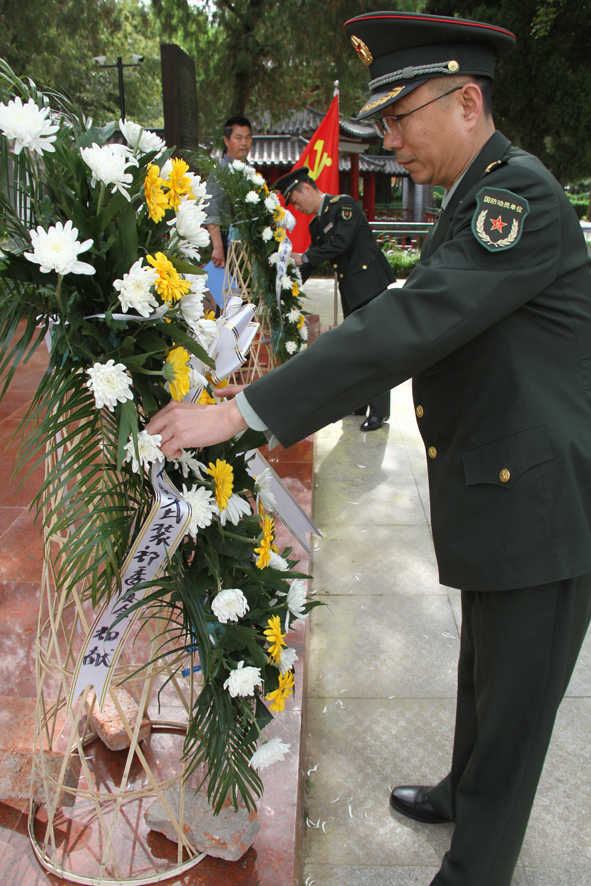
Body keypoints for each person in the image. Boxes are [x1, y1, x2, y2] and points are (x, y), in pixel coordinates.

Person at [146, 11, 591, 886]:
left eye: (398, 117)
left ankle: (475, 864)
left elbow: (411, 322)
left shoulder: (516, 196)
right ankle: (462, 790)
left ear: (467, 101)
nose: (387, 139)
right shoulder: (476, 191)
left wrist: (246, 416)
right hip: (502, 484)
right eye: (380, 123)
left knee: (515, 701)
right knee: (483, 671)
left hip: (543, 501)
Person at [274, 167, 396, 431]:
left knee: (374, 347)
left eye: (295, 201)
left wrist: (304, 256)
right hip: (351, 288)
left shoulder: (344, 206)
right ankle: (361, 402)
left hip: (369, 284)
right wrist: (287, 286)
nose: (297, 208)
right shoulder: (317, 223)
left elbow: (339, 244)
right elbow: (312, 259)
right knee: (356, 345)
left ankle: (379, 411)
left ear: (305, 188)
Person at [205, 114, 253, 268]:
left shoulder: (251, 170)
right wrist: (218, 247)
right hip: (228, 247)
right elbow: (212, 211)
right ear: (226, 140)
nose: (244, 143)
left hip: (250, 246)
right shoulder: (219, 171)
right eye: (238, 138)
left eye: (248, 138)